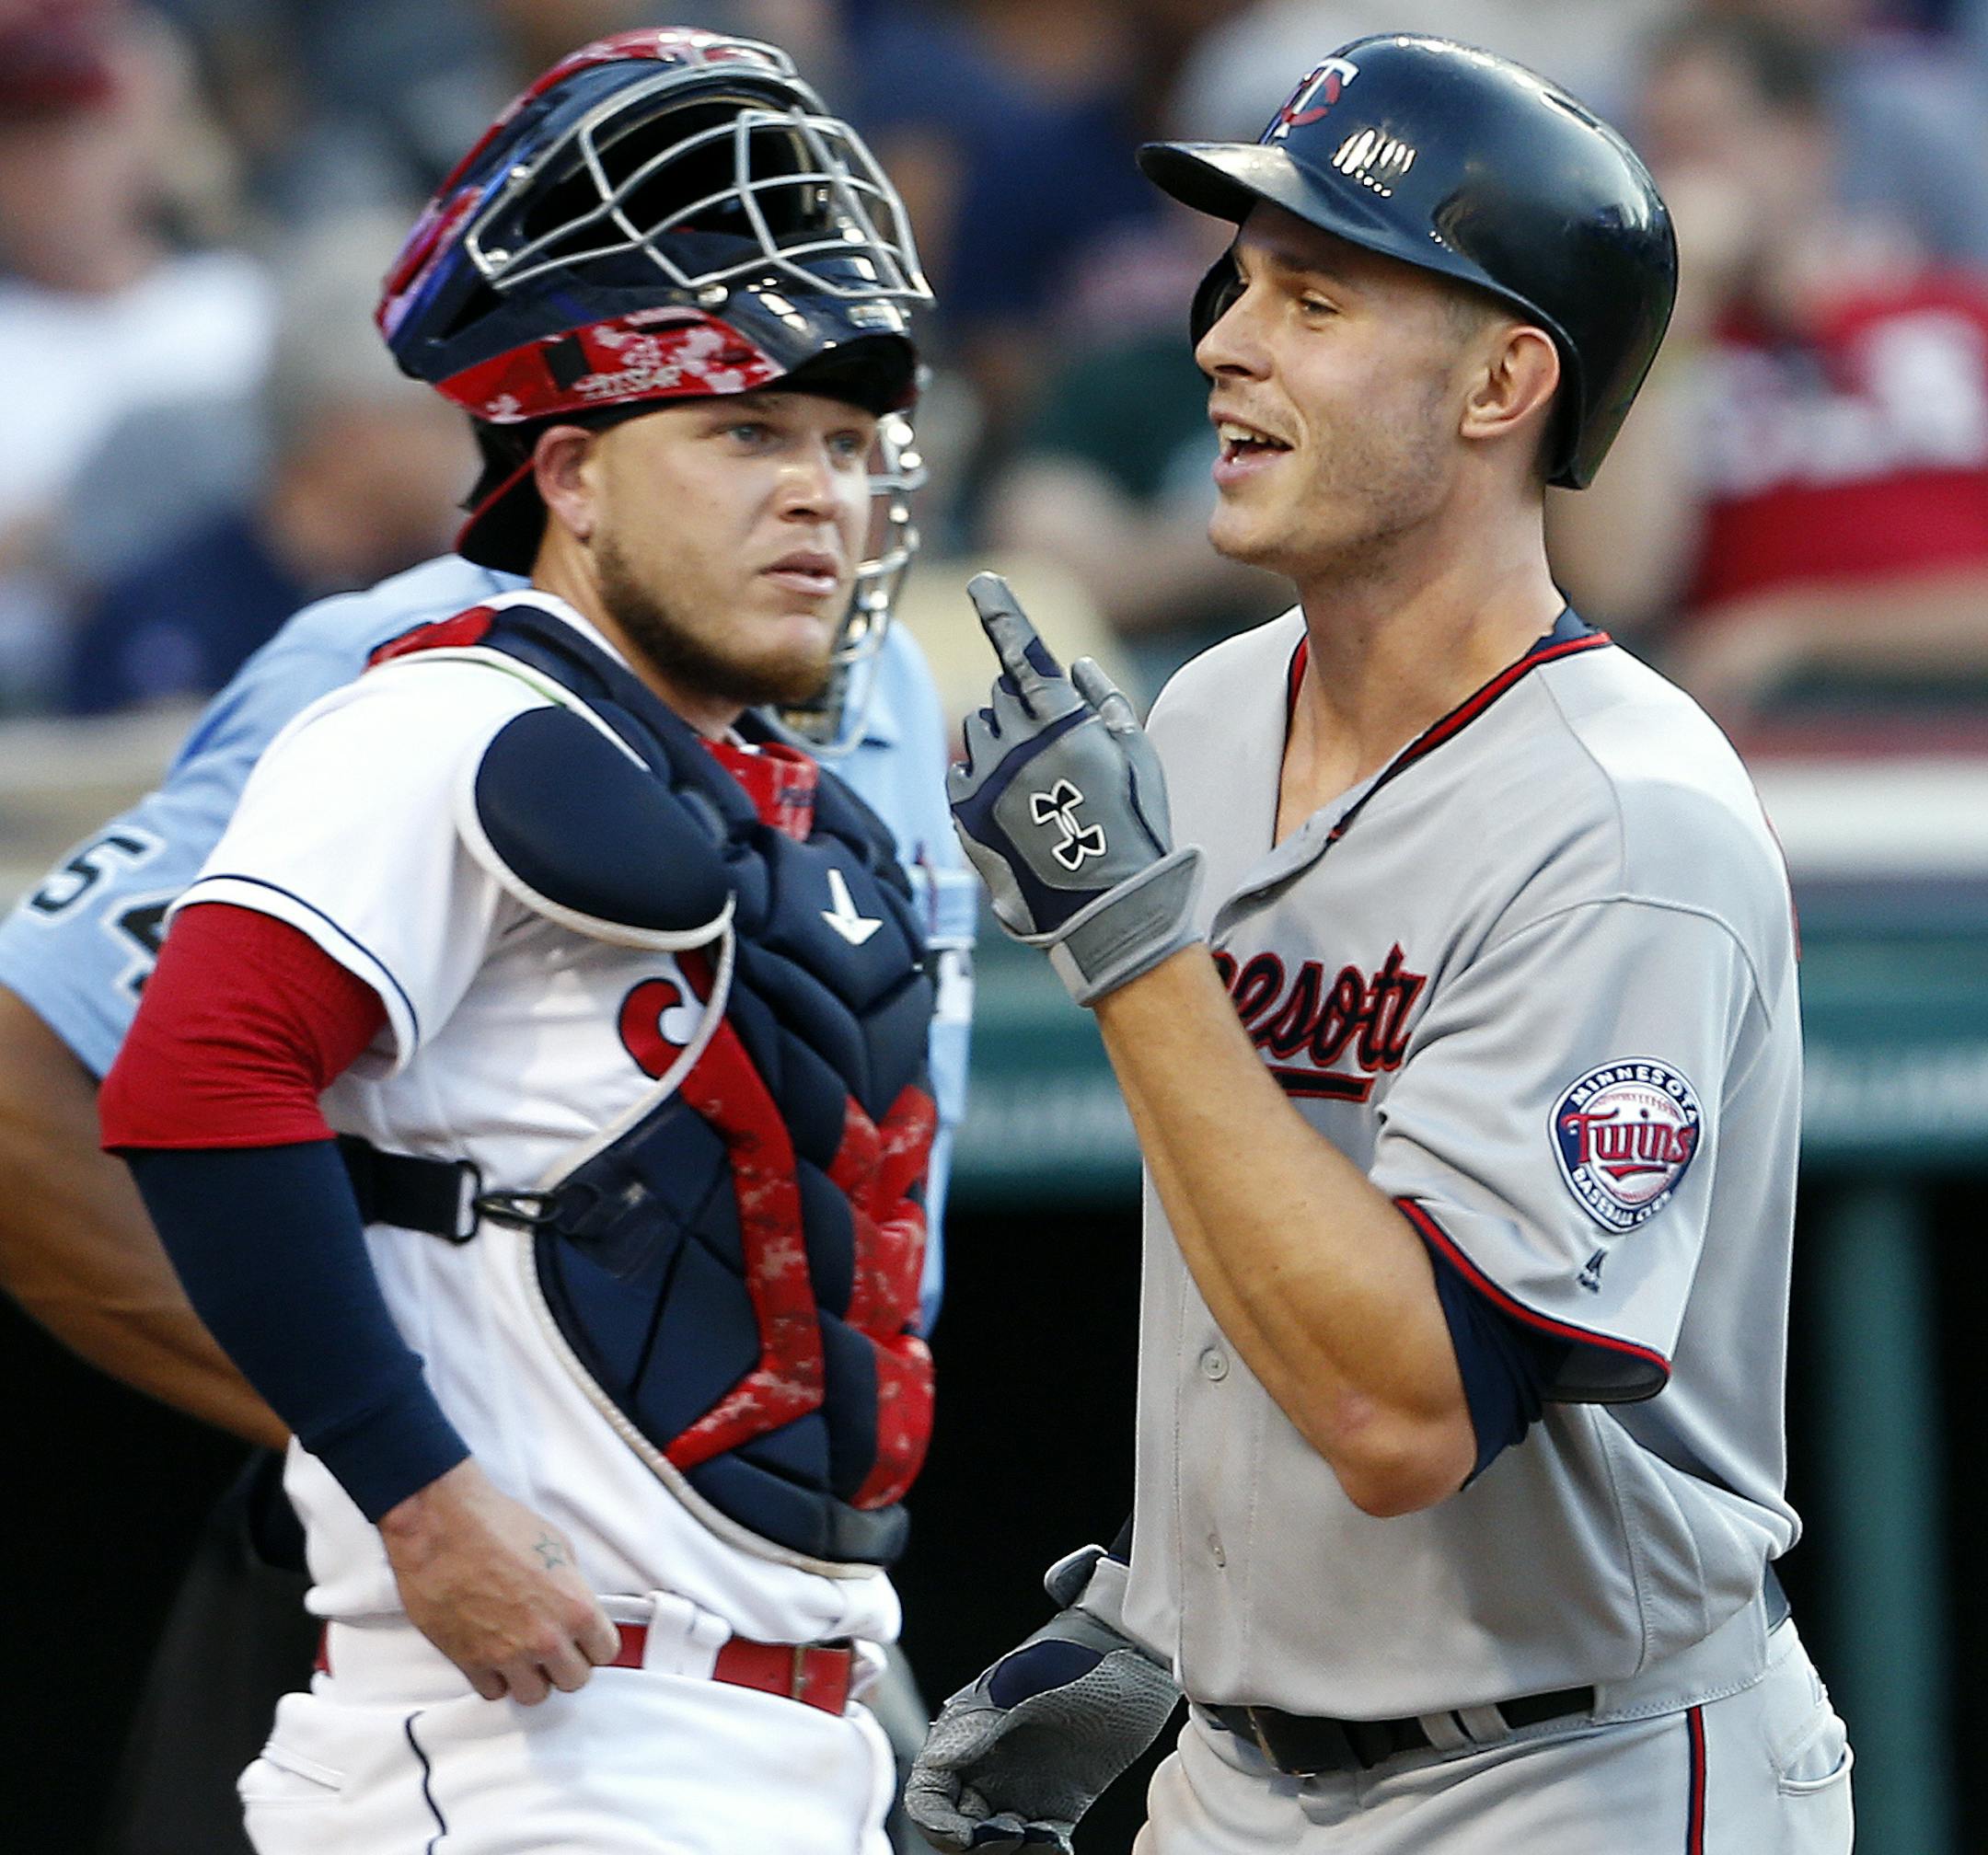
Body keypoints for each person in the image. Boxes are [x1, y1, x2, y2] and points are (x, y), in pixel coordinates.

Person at [908, 34, 1850, 1855]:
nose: (1223, 344)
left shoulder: (1624, 816)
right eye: (1240, 283)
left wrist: (1130, 947)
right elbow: (1248, 1240)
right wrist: (1167, 1615)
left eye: (1316, 296)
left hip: (1573, 1773)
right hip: (1236, 1770)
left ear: (1507, 380)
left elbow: (1403, 1410)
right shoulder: (1203, 720)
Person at [51, 28, 945, 1853]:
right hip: (538, 1731)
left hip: (777, 1712)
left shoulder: (805, 773)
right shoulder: (441, 712)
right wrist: (412, 1485)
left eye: (849, 444)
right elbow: (195, 1071)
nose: (820, 493)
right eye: (748, 434)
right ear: (575, 474)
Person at [1546, 11, 1988, 729]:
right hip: (1768, 738)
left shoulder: (1955, 318)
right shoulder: (1643, 356)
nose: (1681, 175)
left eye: (1709, 135)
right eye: (1660, 146)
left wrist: (1808, 631)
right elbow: (1615, 585)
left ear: (1805, 139)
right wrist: (1671, 304)